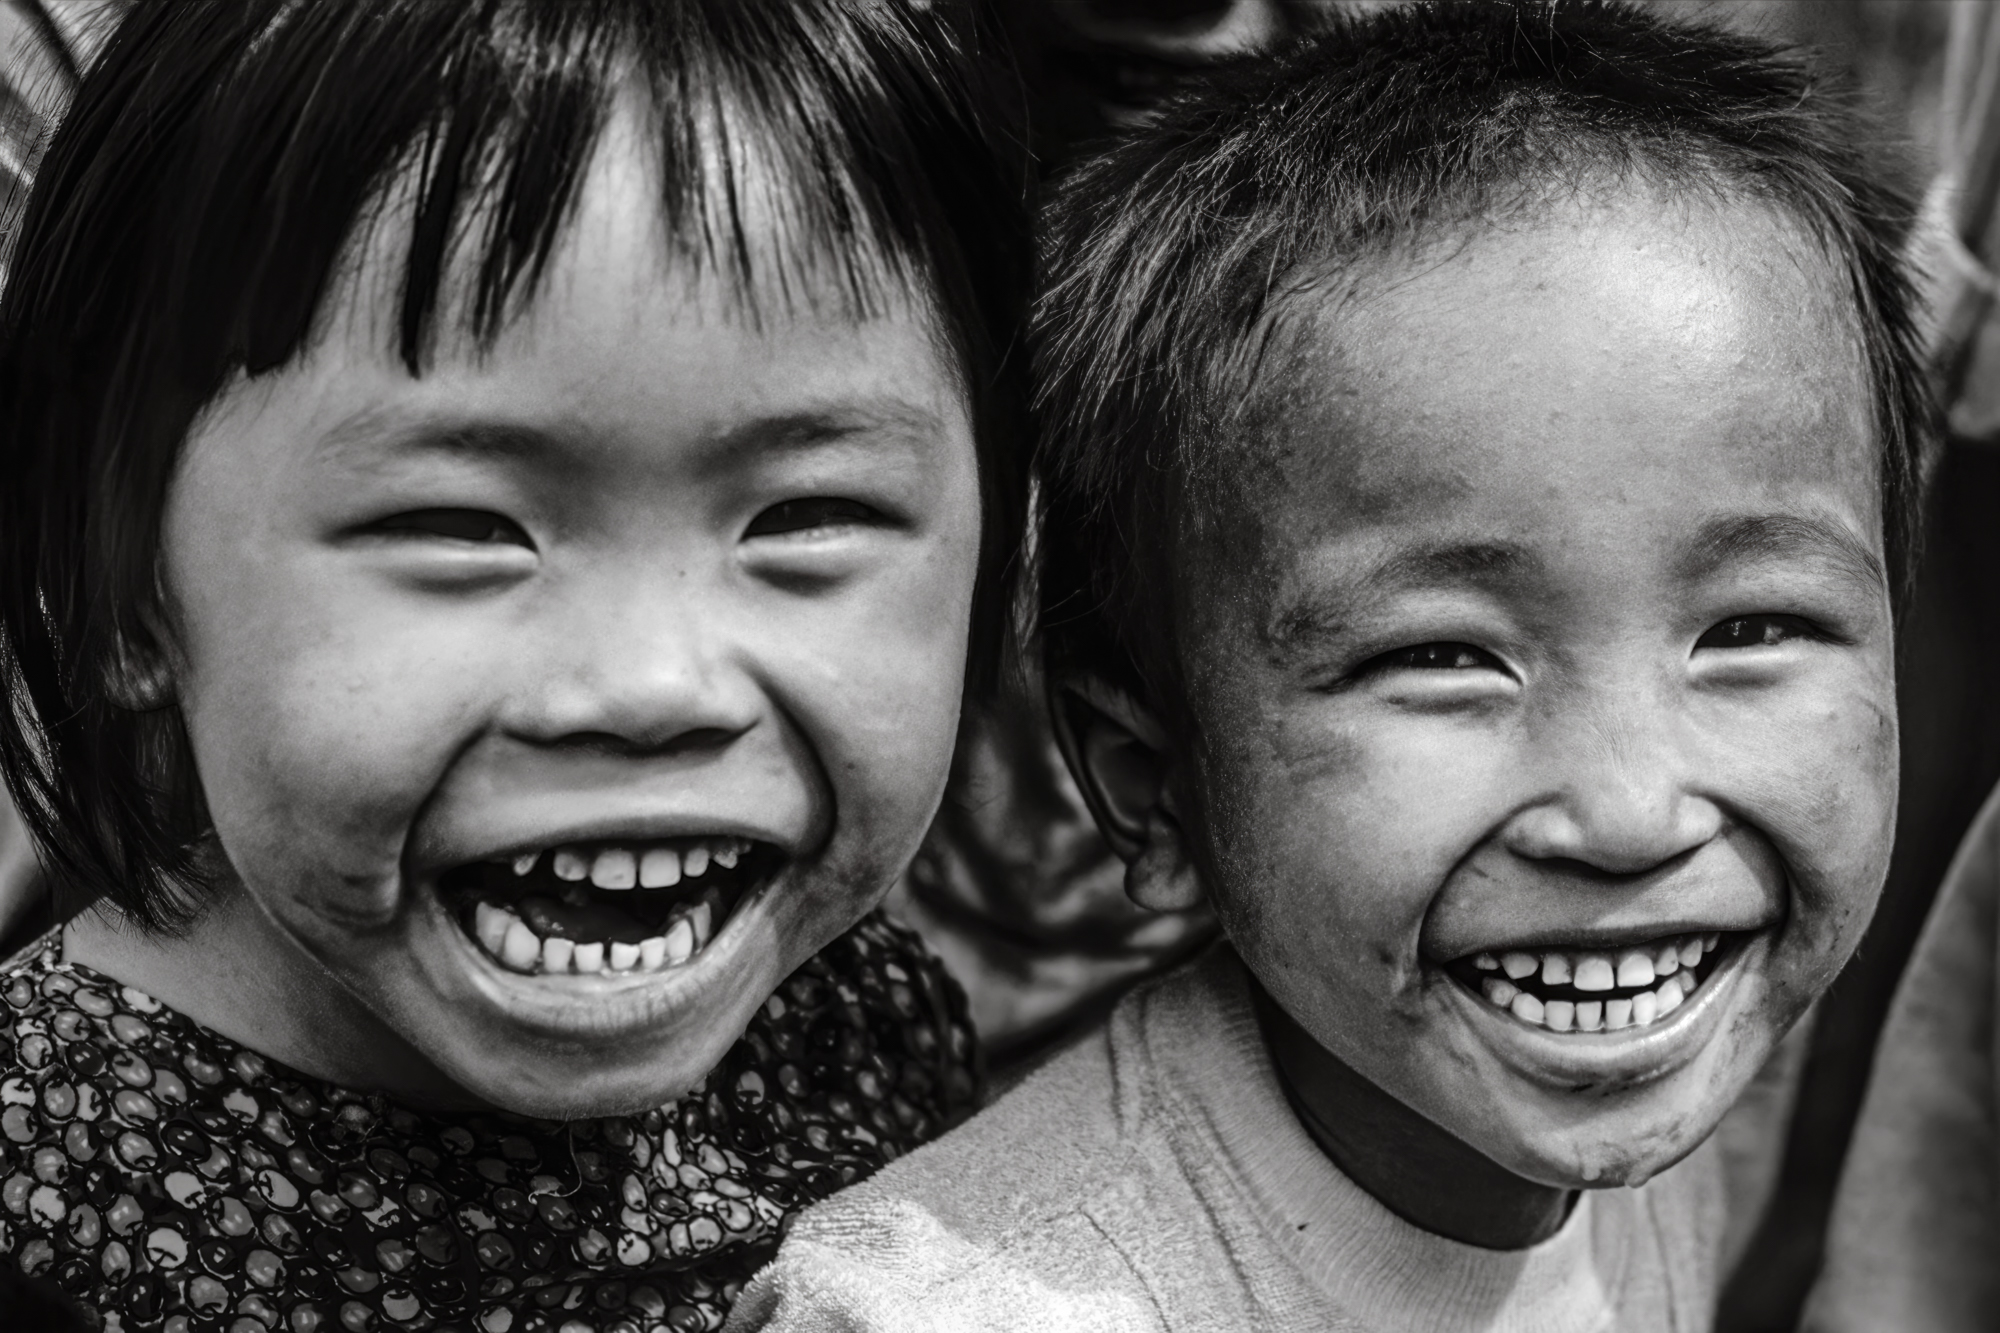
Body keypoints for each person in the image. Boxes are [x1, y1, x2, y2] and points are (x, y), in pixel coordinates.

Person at [729, 2, 1930, 1328]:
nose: (1630, 815)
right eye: (1442, 656)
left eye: (1752, 630)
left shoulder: (1648, 1100)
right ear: (1151, 784)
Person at [0, 1, 1030, 1327]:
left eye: (805, 518)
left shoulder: (861, 1025)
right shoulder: (41, 1190)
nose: (653, 683)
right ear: (118, 586)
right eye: (459, 527)